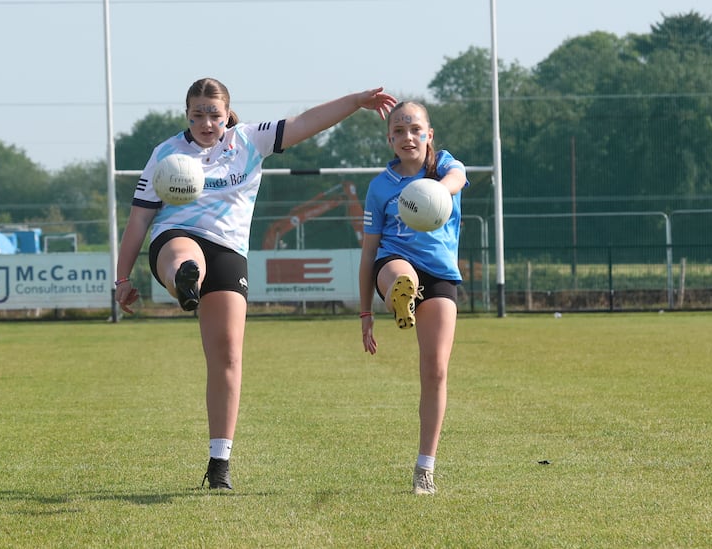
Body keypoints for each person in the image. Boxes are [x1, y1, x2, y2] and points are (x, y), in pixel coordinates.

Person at [115, 77, 396, 490]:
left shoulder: (249, 140)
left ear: (227, 113)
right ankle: (184, 281)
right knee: (184, 255)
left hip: (228, 251)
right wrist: (122, 278)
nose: (206, 123)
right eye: (197, 115)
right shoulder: (166, 153)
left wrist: (356, 101)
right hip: (175, 240)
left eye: (214, 114)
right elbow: (140, 218)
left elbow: (306, 122)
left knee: (228, 355)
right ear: (186, 115)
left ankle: (219, 463)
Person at [358, 101, 468, 495]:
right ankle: (399, 299)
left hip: (439, 274)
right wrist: (364, 312)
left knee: (435, 370)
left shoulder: (444, 167)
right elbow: (369, 252)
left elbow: (457, 177)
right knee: (397, 271)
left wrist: (432, 191)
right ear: (389, 139)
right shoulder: (380, 187)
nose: (408, 137)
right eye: (399, 131)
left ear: (429, 135)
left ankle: (425, 467)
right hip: (393, 261)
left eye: (415, 129)